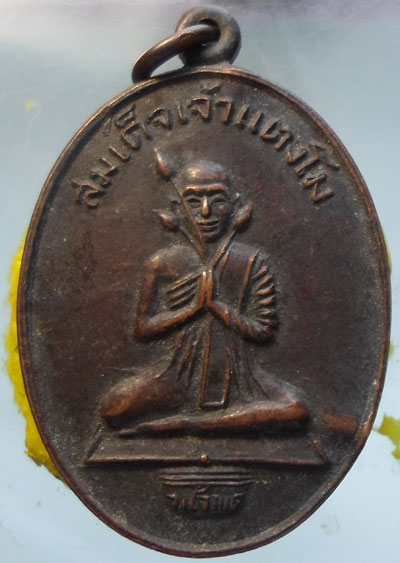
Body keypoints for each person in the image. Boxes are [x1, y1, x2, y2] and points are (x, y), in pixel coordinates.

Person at [101, 160, 309, 433]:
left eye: (217, 200)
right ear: (177, 207)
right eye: (193, 200)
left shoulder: (252, 261)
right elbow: (143, 329)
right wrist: (192, 309)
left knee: (297, 409)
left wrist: (218, 307)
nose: (206, 211)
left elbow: (264, 331)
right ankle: (218, 422)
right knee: (113, 407)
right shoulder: (162, 262)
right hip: (177, 376)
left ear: (234, 207)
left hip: (242, 378)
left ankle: (189, 424)